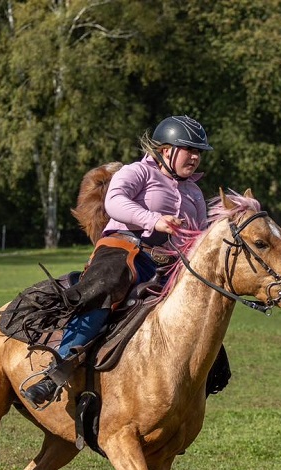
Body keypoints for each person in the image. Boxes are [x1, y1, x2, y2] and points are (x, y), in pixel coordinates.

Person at [22, 115, 212, 407]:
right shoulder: (138, 172)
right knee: (106, 288)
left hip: (170, 264)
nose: (196, 157)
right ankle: (56, 371)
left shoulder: (195, 192)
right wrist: (154, 220)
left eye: (199, 152)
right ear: (166, 151)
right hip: (124, 248)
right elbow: (115, 201)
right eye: (190, 149)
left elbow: (199, 235)